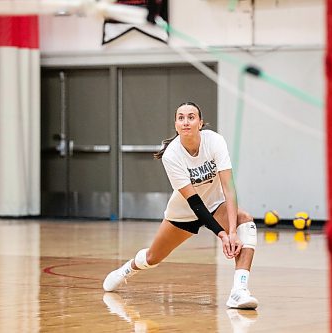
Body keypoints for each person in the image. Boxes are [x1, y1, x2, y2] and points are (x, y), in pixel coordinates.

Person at [103, 102, 258, 309]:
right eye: (181, 118)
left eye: (191, 117)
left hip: (215, 204)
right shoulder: (172, 155)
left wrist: (231, 231)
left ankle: (239, 292)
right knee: (152, 257)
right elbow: (194, 202)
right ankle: (126, 270)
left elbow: (229, 188)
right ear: (176, 125)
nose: (186, 122)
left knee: (245, 221)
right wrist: (221, 234)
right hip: (184, 212)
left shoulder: (215, 141)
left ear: (200, 123)